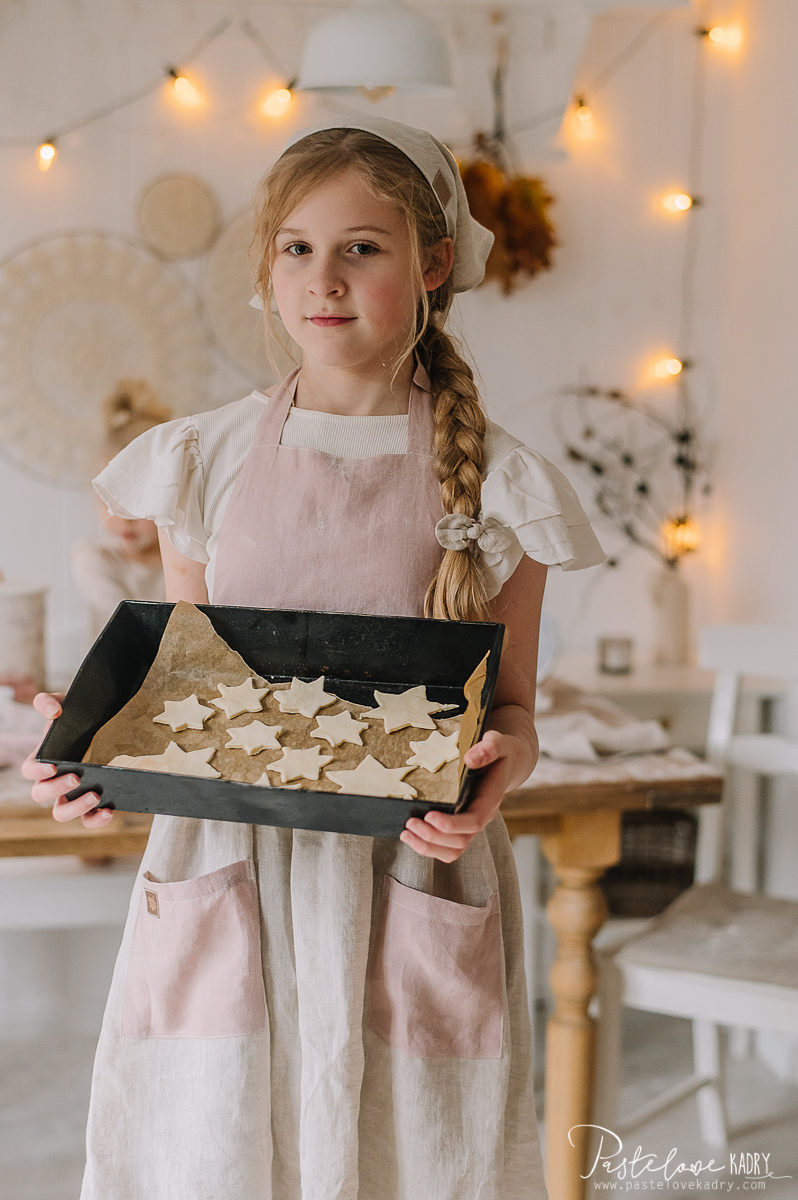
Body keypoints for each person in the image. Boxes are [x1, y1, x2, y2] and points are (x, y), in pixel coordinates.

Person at [24, 116, 605, 1200]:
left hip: (414, 869)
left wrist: (489, 790)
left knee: (415, 1152)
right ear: (267, 269)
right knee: (213, 1146)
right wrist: (93, 754)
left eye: (362, 247)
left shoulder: (504, 490)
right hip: (226, 867)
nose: (322, 277)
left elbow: (515, 717)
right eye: (295, 247)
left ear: (432, 264)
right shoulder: (200, 460)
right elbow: (190, 691)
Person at [70, 380, 170, 641]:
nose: (124, 519)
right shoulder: (95, 560)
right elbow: (129, 631)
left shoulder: (188, 560)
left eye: (138, 503)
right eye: (110, 501)